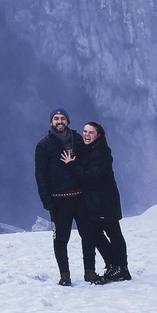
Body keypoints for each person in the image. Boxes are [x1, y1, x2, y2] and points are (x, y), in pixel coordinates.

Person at [34, 108, 103, 286]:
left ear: (68, 121)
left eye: (63, 118)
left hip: (80, 198)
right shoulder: (43, 146)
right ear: (51, 122)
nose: (59, 121)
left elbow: (91, 163)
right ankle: (64, 276)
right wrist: (46, 200)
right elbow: (40, 175)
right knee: (60, 239)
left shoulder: (79, 141)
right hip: (58, 201)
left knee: (88, 235)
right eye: (56, 118)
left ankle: (90, 272)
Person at [61, 120, 131, 282]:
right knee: (96, 234)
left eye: (90, 132)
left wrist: (71, 164)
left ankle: (122, 268)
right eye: (85, 131)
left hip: (105, 201)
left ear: (98, 135)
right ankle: (113, 264)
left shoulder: (101, 153)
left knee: (113, 233)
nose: (86, 135)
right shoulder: (87, 150)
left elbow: (90, 177)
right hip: (94, 202)